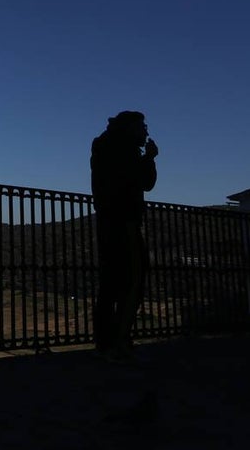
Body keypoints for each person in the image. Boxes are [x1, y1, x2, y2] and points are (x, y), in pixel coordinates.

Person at [90, 110, 158, 362]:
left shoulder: (105, 146)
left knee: (111, 283)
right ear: (130, 128)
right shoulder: (124, 150)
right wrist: (149, 158)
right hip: (124, 221)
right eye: (142, 127)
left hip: (109, 219)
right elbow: (143, 182)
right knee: (132, 280)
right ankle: (119, 341)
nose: (146, 132)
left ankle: (107, 342)